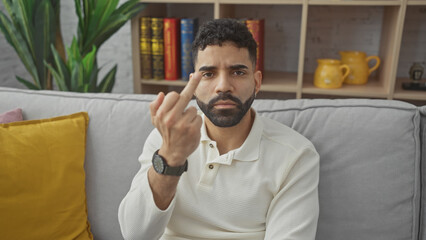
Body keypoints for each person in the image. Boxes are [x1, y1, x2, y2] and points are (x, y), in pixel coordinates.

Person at [118, 18, 319, 240]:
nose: (223, 85)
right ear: (193, 84)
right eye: (208, 74)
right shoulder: (166, 137)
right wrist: (170, 158)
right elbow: (135, 235)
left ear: (257, 81)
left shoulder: (297, 155)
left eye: (238, 72)